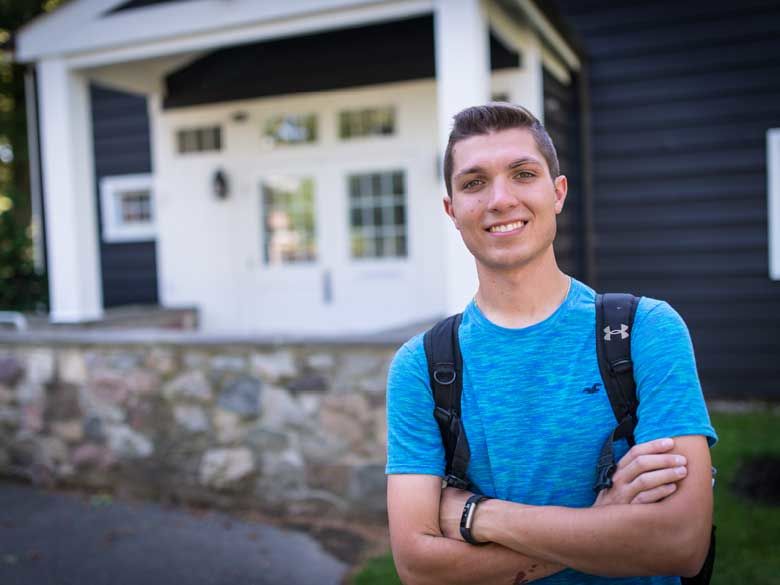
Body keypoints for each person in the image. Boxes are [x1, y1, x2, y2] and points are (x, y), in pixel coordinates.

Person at [385, 103, 717, 584]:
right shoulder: (422, 365)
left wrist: (478, 516)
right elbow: (418, 568)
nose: (500, 199)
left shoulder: (645, 331)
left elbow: (681, 544)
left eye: (522, 174)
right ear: (451, 209)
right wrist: (606, 526)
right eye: (474, 182)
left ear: (557, 192)